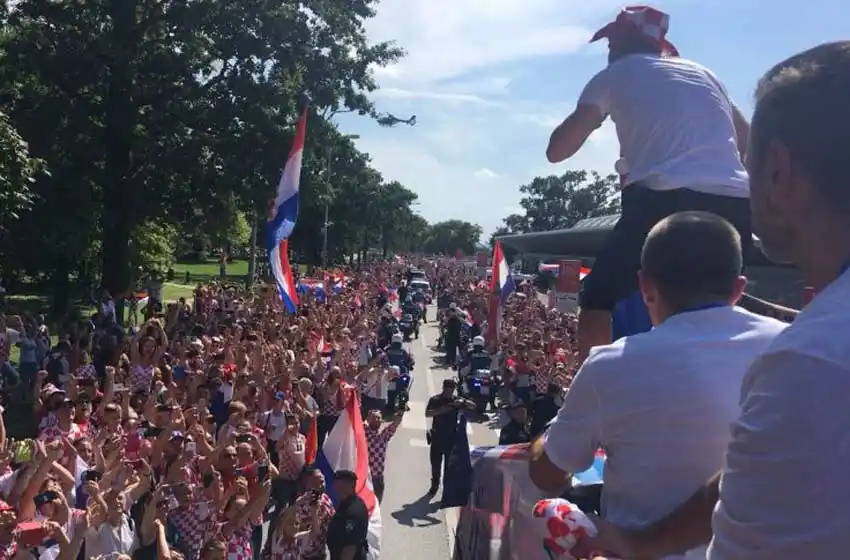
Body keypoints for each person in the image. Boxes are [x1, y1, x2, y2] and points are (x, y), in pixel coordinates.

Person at [577, 41, 850, 560]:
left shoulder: (810, 360)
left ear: (775, 171)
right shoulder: (809, 344)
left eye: (744, 164)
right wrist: (641, 543)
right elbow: (761, 470)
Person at [530, 212, 787, 558]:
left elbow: (548, 473)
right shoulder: (795, 347)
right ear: (739, 289)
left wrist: (545, 439)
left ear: (645, 286)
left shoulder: (610, 366)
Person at [546, 5, 753, 363]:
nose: (609, 50)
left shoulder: (615, 74)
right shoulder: (704, 73)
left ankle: (591, 391)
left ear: (622, 43)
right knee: (714, 300)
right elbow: (747, 141)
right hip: (735, 199)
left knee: (597, 298)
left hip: (661, 196)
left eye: (612, 42)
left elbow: (558, 151)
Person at [424, 378, 473, 496]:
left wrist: (464, 401)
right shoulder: (435, 400)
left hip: (451, 438)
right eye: (448, 389)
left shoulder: (457, 400)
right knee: (435, 465)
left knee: (449, 467)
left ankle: (447, 489)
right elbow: (428, 413)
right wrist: (442, 410)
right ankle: (434, 485)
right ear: (443, 388)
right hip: (437, 437)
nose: (450, 392)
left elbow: (473, 406)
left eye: (452, 390)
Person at [326, 470, 369, 560]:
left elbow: (350, 547)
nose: (335, 488)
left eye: (339, 485)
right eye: (335, 484)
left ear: (350, 486)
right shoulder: (346, 504)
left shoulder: (353, 512)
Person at [364, 409, 402, 502]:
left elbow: (395, 424)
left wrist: (401, 411)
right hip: (365, 478)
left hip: (378, 479)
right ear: (368, 419)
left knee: (376, 506)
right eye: (374, 417)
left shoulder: (384, 436)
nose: (377, 420)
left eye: (379, 418)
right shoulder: (363, 431)